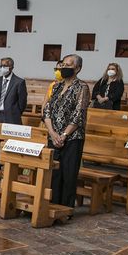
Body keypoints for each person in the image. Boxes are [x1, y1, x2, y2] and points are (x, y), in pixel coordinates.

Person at [43, 54, 90, 208]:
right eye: (62, 65)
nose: (63, 68)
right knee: (53, 173)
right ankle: (52, 205)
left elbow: (78, 114)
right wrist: (52, 133)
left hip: (72, 138)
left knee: (68, 174)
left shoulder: (81, 87)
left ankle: (65, 209)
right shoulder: (56, 86)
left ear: (77, 68)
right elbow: (47, 110)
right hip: (53, 136)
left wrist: (63, 135)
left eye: (68, 65)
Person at [0, 57, 28, 169]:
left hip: (12, 116)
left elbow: (22, 102)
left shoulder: (19, 82)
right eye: (0, 66)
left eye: (4, 66)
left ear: (11, 67)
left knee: (11, 142)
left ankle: (9, 166)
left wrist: (15, 112)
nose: (2, 68)